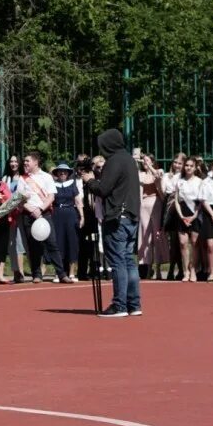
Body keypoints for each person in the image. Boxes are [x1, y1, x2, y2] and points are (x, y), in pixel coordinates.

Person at [80, 129, 141, 317]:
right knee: (129, 260)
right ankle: (134, 304)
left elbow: (104, 189)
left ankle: (119, 305)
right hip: (131, 215)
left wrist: (90, 181)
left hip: (117, 216)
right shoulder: (129, 160)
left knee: (118, 261)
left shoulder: (114, 161)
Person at [16, 152, 68, 283]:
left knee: (52, 243)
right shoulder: (22, 178)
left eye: (27, 161)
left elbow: (51, 196)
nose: (25, 163)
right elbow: (19, 199)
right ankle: (37, 274)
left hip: (44, 214)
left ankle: (62, 274)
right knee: (33, 246)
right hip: (28, 214)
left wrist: (40, 209)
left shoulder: (46, 177)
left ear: (36, 162)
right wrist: (31, 209)